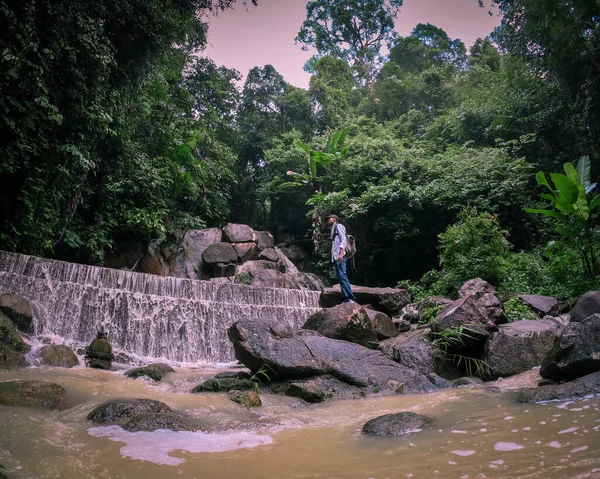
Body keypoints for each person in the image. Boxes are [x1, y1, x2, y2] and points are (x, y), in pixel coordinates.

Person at [328, 214, 357, 303]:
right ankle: (346, 298)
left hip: (340, 256)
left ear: (335, 219)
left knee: (343, 276)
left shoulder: (339, 226)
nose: (329, 219)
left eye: (330, 218)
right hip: (336, 257)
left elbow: (343, 240)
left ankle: (350, 298)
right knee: (340, 277)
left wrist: (340, 254)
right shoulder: (332, 229)